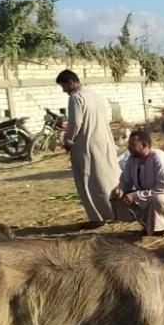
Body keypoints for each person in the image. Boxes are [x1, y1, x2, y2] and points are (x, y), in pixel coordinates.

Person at [56, 70, 120, 229]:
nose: (64, 90)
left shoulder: (76, 97)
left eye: (64, 86)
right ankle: (115, 212)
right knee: (107, 177)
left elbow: (76, 123)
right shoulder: (95, 95)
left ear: (71, 83)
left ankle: (97, 217)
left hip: (86, 145)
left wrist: (68, 141)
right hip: (104, 142)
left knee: (87, 180)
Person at [112, 130, 164, 236]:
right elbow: (125, 181)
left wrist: (135, 196)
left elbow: (163, 188)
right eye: (129, 144)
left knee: (158, 200)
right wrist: (121, 189)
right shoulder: (132, 160)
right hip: (145, 193)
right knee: (117, 196)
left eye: (133, 145)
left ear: (144, 145)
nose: (129, 147)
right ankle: (148, 225)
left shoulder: (159, 158)